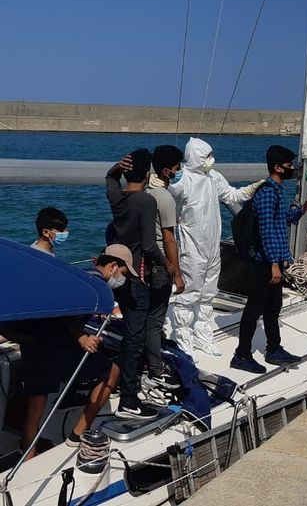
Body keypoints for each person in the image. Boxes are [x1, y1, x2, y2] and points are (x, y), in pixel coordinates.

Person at [19, 248, 128, 460]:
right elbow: (71, 318)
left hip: (34, 343)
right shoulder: (96, 284)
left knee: (36, 406)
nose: (121, 279)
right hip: (57, 346)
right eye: (122, 273)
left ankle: (28, 455)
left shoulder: (78, 273)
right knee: (112, 370)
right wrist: (83, 338)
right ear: (112, 266)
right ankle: (77, 434)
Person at [166, 137, 263, 360]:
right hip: (192, 247)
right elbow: (168, 193)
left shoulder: (214, 177)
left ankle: (203, 335)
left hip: (212, 246)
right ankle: (184, 337)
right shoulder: (184, 180)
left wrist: (251, 188)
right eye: (207, 156)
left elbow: (231, 195)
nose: (211, 159)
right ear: (197, 157)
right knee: (190, 293)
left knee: (208, 292)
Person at [231, 145, 307, 373]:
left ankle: (274, 348)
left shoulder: (276, 191)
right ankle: (242, 354)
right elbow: (266, 229)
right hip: (264, 263)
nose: (292, 169)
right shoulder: (267, 192)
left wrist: (301, 210)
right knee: (254, 308)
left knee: (273, 308)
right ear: (277, 167)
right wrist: (274, 265)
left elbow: (280, 220)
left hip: (272, 261)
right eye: (289, 166)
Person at [106, 150, 171, 419]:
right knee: (135, 339)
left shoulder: (117, 198)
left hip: (117, 276)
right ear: (148, 175)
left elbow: (110, 177)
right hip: (136, 276)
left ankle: (120, 388)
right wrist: (168, 264)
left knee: (131, 336)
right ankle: (129, 401)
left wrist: (117, 166)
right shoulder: (146, 201)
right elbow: (148, 245)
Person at [140, 145, 186, 400]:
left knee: (146, 316)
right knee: (155, 319)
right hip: (159, 265)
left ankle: (147, 359)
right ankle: (155, 369)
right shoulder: (164, 198)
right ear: (168, 170)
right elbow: (169, 239)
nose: (180, 171)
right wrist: (177, 273)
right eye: (178, 166)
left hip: (143, 263)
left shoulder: (145, 192)